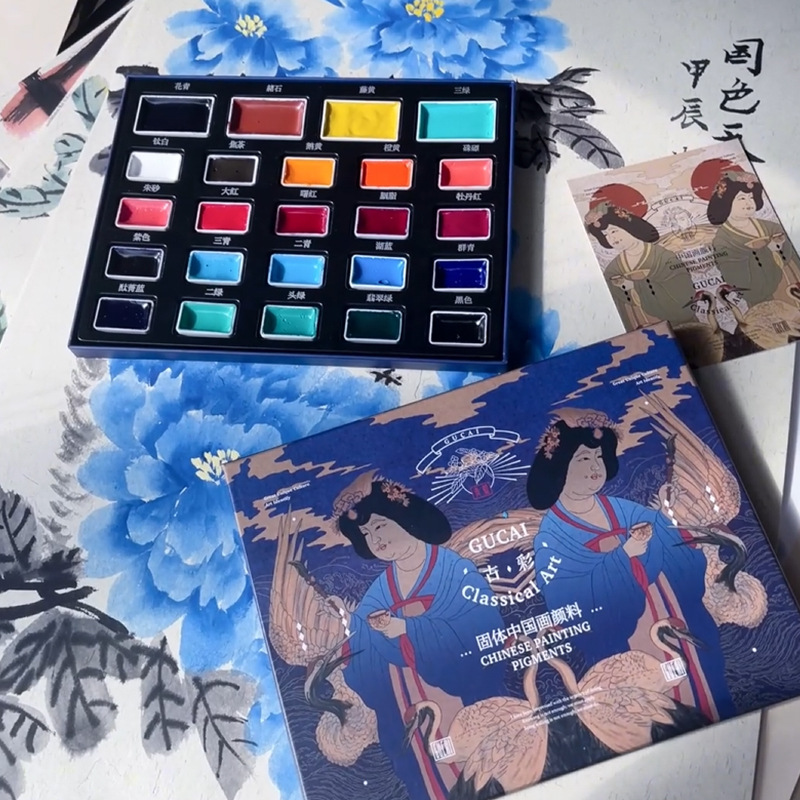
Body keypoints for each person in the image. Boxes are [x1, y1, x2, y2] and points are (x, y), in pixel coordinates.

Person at [526, 412, 735, 722]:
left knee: (704, 690)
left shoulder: (625, 510)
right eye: (583, 459)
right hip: (619, 641)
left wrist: (674, 529)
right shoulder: (551, 536)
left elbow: (677, 547)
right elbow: (565, 598)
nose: (595, 467)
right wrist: (624, 556)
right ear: (561, 468)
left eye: (599, 457)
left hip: (672, 619)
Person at [334, 473, 507, 800]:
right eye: (368, 534)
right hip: (408, 705)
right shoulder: (378, 593)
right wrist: (345, 631)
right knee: (430, 774)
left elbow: (485, 629)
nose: (376, 539)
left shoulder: (455, 571)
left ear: (405, 519)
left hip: (459, 694)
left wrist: (407, 629)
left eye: (381, 526)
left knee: (481, 770)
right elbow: (360, 654)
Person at [584, 183, 696, 329]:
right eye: (605, 235)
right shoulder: (613, 270)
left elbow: (682, 292)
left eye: (614, 231)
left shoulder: (663, 257)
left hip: (676, 326)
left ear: (629, 227)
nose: (612, 238)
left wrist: (635, 286)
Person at [692, 158, 800, 306]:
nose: (749, 203)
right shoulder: (724, 241)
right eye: (741, 198)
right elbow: (742, 283)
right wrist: (767, 251)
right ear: (726, 202)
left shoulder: (771, 226)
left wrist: (782, 246)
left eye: (751, 197)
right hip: (767, 299)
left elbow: (792, 257)